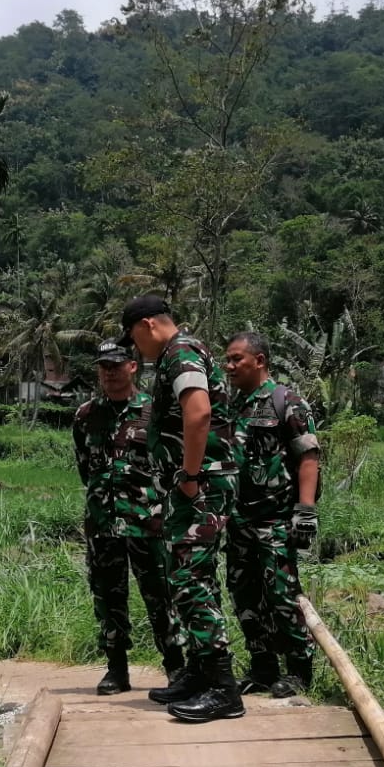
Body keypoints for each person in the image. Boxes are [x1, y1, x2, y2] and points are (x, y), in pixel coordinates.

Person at [122, 295, 243, 722]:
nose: (135, 348)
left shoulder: (182, 352)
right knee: (188, 577)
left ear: (149, 324)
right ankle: (200, 672)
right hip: (192, 486)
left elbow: (198, 414)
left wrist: (190, 476)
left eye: (134, 337)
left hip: (201, 484)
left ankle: (223, 689)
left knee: (192, 580)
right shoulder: (178, 354)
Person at [73, 339, 186, 695]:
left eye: (116, 365)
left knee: (159, 596)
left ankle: (175, 669)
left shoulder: (154, 412)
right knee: (108, 597)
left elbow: (172, 466)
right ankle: (116, 670)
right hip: (102, 523)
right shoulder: (87, 415)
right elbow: (84, 468)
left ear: (132, 367)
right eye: (103, 366)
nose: (109, 372)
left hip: (147, 523)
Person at [221, 331, 321, 697]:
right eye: (227, 360)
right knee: (243, 593)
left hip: (276, 520)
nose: (229, 366)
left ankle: (299, 670)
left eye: (236, 360)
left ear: (259, 361)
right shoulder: (232, 406)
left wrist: (305, 512)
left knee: (281, 593)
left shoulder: (288, 402)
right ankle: (263, 666)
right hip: (239, 520)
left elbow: (308, 458)